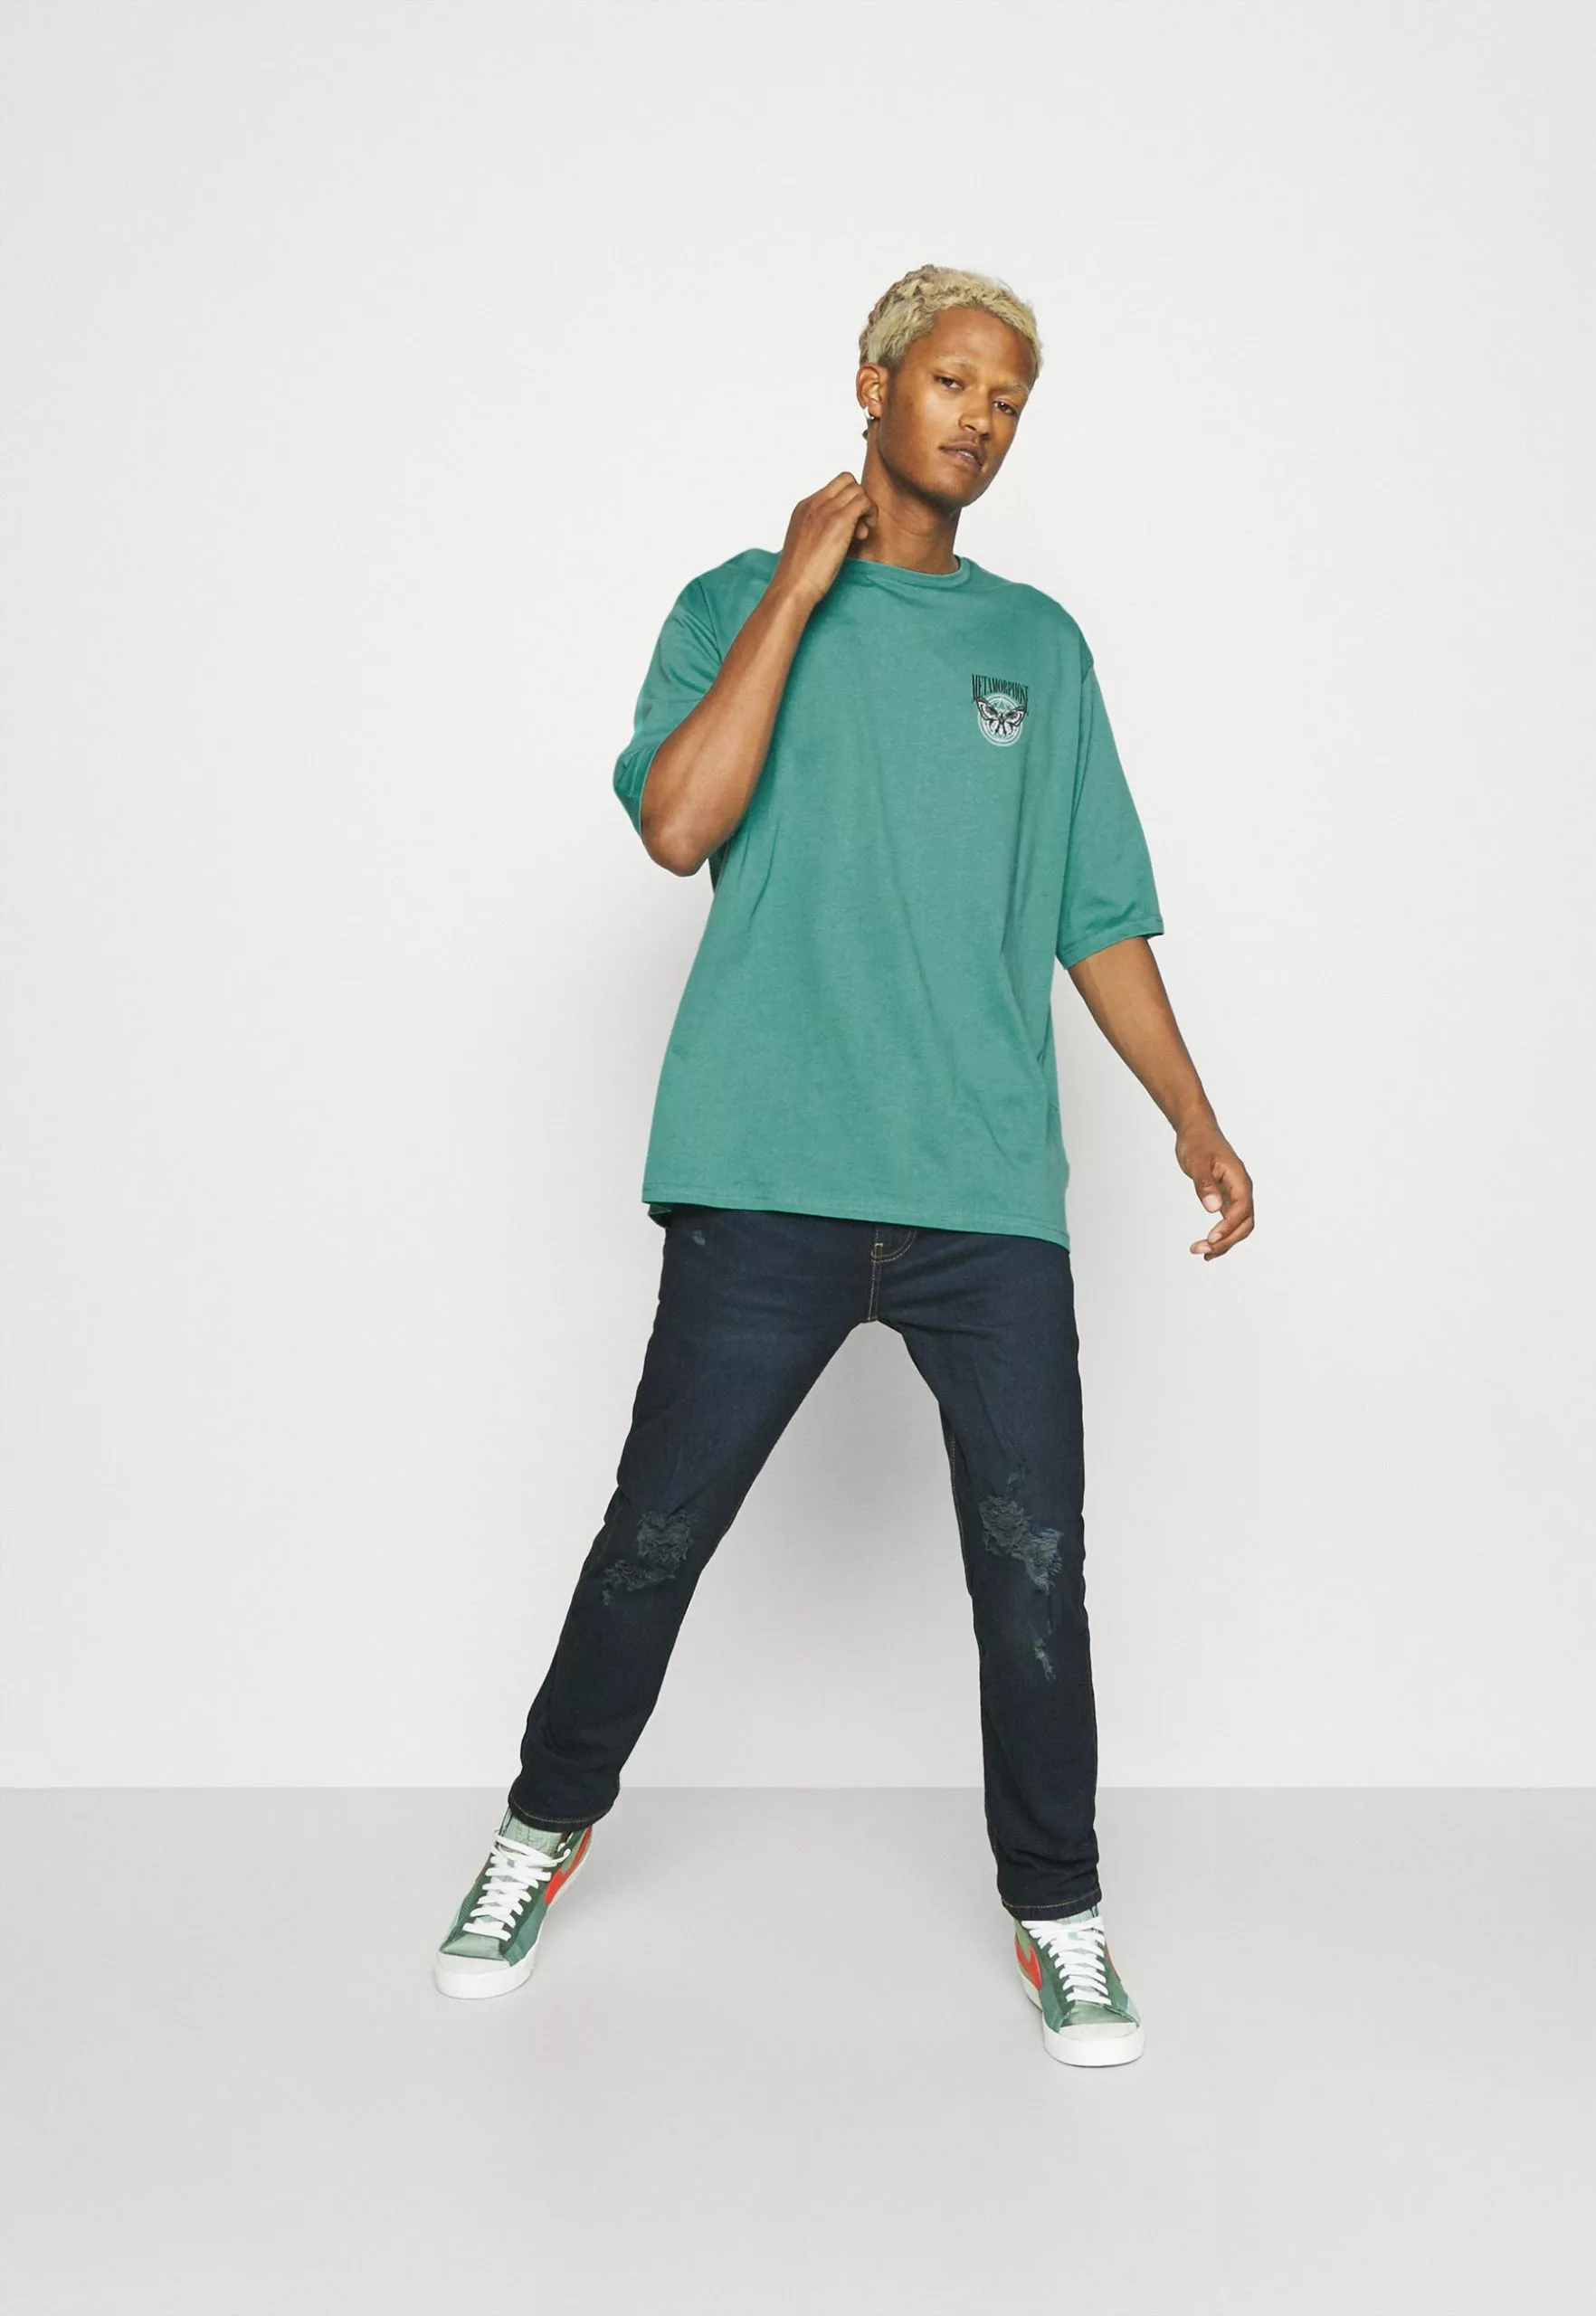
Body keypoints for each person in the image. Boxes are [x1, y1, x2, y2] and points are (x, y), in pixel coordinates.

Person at [433, 263, 1255, 2065]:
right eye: (954, 381)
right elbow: (678, 823)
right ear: (874, 385)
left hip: (980, 1196)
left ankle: (1059, 1910)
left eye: (1009, 398)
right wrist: (801, 589)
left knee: (1035, 1571)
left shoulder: (1040, 648)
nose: (982, 419)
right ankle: (540, 1828)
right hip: (769, 1173)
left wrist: (1190, 1114)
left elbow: (1095, 913)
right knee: (655, 1534)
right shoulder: (735, 601)